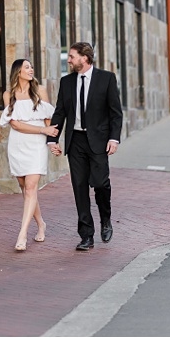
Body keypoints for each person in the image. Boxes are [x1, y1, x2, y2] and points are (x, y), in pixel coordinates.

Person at [47, 42, 123, 251]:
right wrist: (52, 139)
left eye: (72, 56)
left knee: (100, 184)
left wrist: (113, 139)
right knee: (79, 188)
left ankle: (105, 219)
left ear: (85, 58)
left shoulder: (106, 79)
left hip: (98, 141)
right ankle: (86, 235)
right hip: (76, 141)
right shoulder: (67, 82)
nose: (69, 60)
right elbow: (60, 112)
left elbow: (115, 112)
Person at [0, 59, 59, 251]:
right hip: (18, 144)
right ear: (18, 72)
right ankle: (41, 224)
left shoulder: (39, 91)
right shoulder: (8, 95)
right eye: (27, 67)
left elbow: (49, 119)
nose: (31, 69)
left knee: (32, 188)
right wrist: (43, 131)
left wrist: (52, 142)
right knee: (26, 190)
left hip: (37, 146)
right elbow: (14, 124)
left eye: (32, 66)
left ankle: (22, 234)